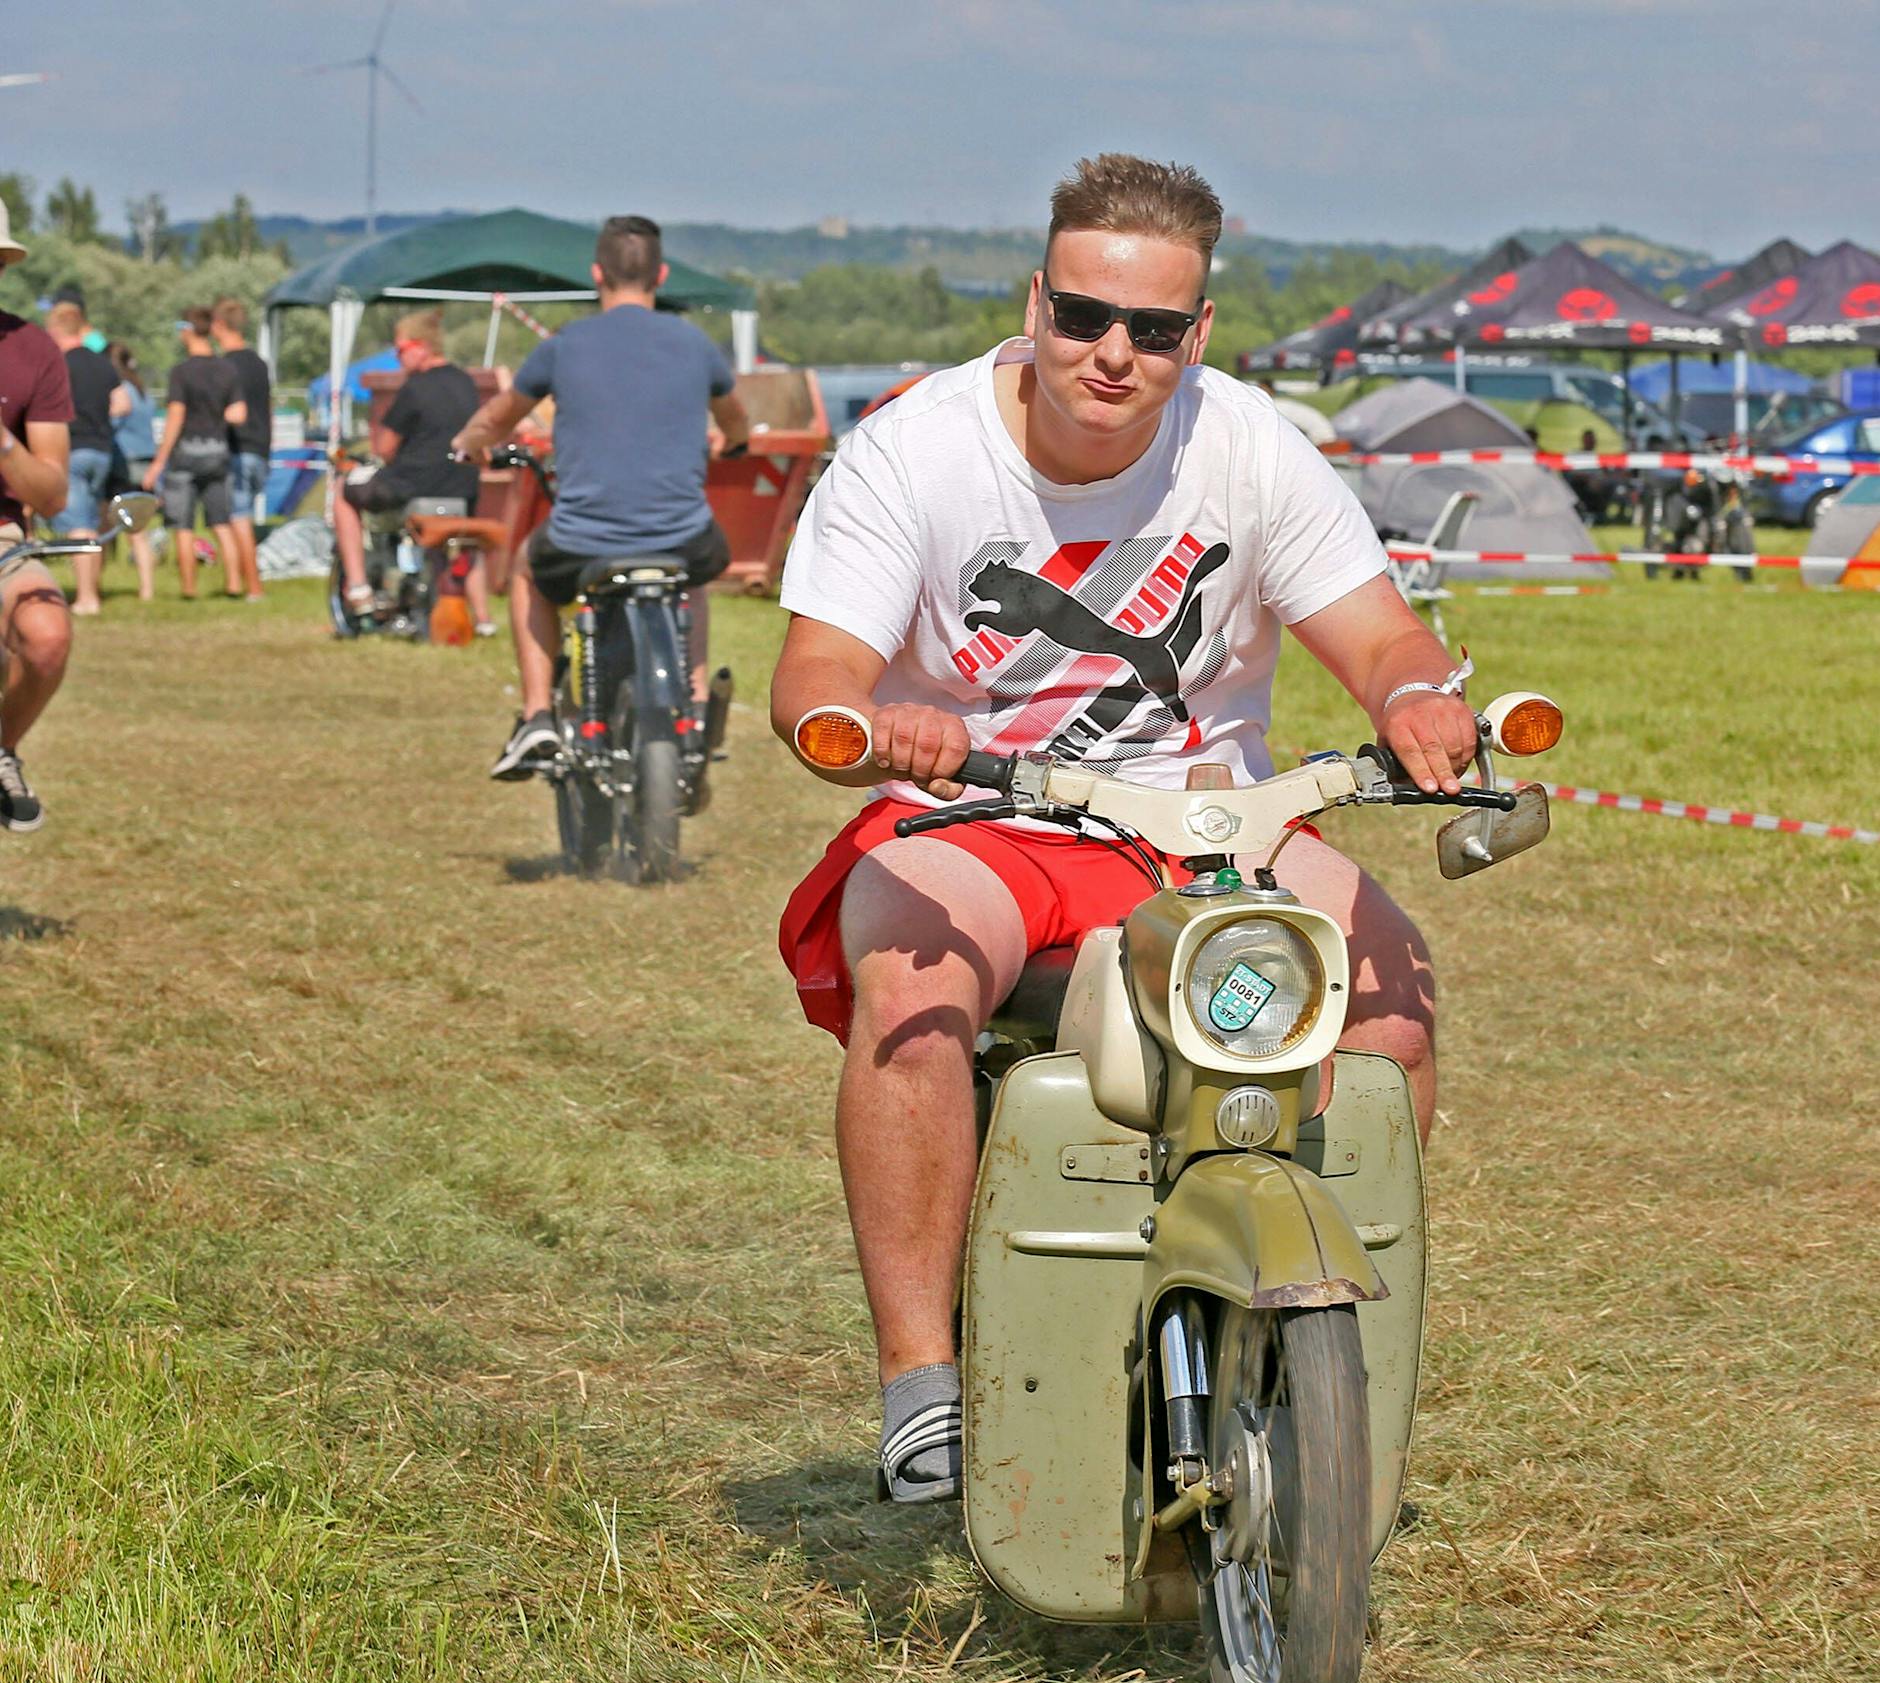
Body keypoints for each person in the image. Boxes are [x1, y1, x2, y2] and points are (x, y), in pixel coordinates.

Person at [768, 154, 1478, 1503]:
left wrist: (1419, 700)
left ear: (1197, 333)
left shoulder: (1250, 442)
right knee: (916, 981)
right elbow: (815, 678)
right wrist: (865, 726)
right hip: (979, 818)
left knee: (1390, 993)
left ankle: (1327, 1337)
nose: (1113, 355)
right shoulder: (913, 448)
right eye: (1085, 317)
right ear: (1035, 302)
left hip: (1212, 825)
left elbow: (1381, 636)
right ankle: (924, 1392)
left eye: (1153, 331)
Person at [448, 213, 751, 780]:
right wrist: (730, 444)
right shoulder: (695, 344)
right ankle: (693, 699)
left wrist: (468, 444)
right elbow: (737, 422)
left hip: (583, 540)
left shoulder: (563, 346)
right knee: (694, 574)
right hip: (681, 537)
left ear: (596, 274)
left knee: (524, 572)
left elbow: (498, 416)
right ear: (660, 274)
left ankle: (538, 714)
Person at [329, 309, 489, 634]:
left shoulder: (415, 388)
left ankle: (358, 588)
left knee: (344, 493)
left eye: (401, 349)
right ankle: (484, 619)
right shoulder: (465, 382)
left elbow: (384, 449)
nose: (398, 358)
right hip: (462, 487)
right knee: (466, 545)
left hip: (412, 485)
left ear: (422, 347)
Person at [0, 201, 75, 834]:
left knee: (48, 634)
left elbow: (52, 495)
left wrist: (2, 442)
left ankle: (0, 748)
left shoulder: (31, 349)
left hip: (2, 539)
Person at [143, 307, 246, 601]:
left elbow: (176, 415)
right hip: (218, 452)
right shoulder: (228, 370)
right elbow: (239, 412)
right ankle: (234, 584)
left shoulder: (181, 372)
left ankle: (189, 589)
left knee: (183, 525)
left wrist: (159, 460)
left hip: (185, 455)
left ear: (187, 330)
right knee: (221, 522)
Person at [47, 303, 128, 616]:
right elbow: (122, 404)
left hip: (74, 448)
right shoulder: (102, 364)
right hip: (102, 450)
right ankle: (93, 588)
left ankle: (86, 598)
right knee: (92, 523)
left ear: (54, 331)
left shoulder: (57, 365)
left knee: (78, 526)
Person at [210, 297, 270, 603]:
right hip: (261, 449)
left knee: (239, 517)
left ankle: (254, 587)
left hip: (238, 449)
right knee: (240, 515)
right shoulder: (258, 363)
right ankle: (240, 582)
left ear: (219, 325)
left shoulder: (225, 366)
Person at [107, 342, 159, 602]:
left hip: (124, 463)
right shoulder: (143, 390)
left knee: (122, 527)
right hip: (147, 461)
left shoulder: (120, 391)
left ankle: (94, 582)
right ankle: (147, 588)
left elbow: (112, 422)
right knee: (139, 529)